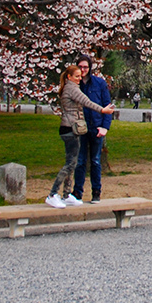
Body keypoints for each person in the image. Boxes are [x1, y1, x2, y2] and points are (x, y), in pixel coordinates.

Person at [46, 64, 115, 209]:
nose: (79, 78)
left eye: (80, 76)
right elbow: (87, 102)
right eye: (76, 76)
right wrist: (102, 110)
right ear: (69, 77)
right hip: (70, 128)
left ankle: (66, 195)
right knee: (70, 164)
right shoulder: (71, 89)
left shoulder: (70, 87)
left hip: (71, 128)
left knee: (72, 162)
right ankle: (52, 194)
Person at [72, 54, 113, 204]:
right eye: (80, 67)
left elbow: (107, 106)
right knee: (80, 161)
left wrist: (105, 127)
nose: (83, 70)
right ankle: (77, 192)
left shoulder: (99, 84)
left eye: (85, 67)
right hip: (80, 128)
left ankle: (96, 192)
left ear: (90, 68)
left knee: (95, 161)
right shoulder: (74, 85)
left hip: (96, 127)